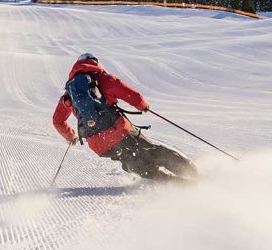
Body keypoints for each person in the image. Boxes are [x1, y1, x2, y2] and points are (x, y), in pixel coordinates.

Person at [51, 53, 196, 181]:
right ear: (95, 63)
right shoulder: (104, 79)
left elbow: (57, 121)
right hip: (119, 130)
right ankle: (194, 174)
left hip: (99, 145)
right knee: (151, 150)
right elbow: (131, 95)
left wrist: (70, 137)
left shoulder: (68, 95)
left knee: (130, 161)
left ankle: (170, 183)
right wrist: (143, 106)